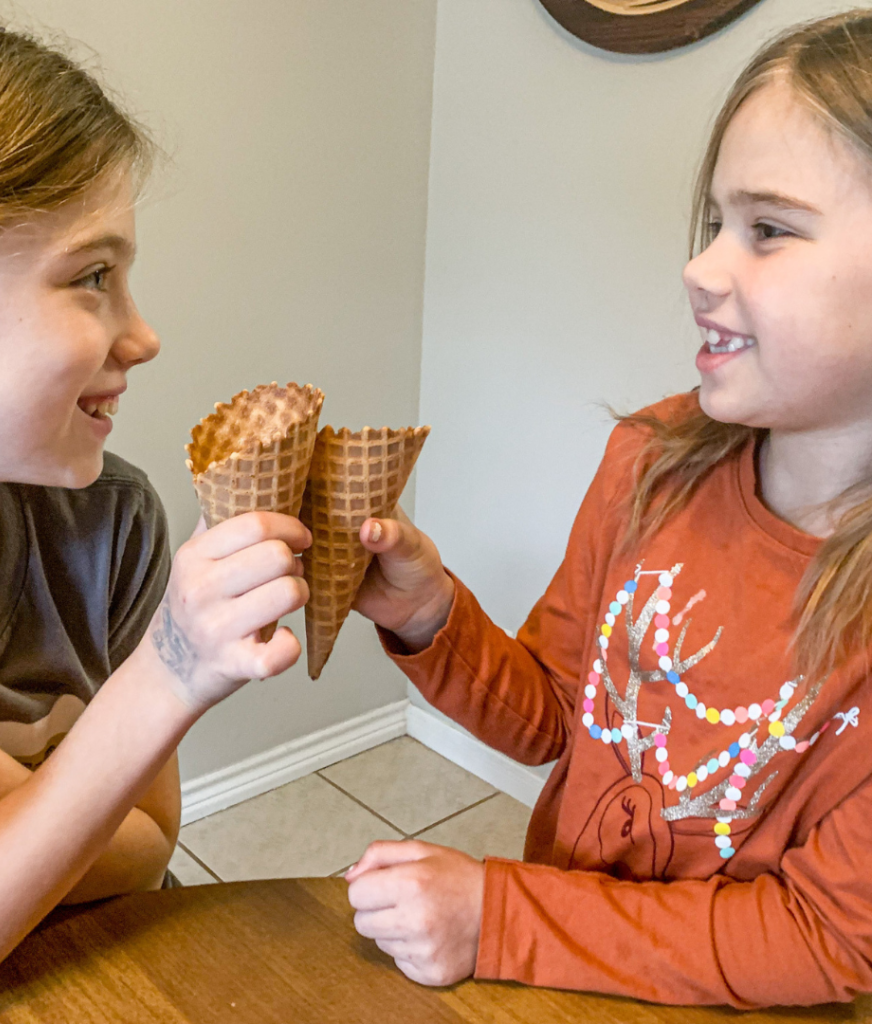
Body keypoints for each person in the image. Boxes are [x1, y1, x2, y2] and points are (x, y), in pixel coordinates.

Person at [346, 9, 872, 1009]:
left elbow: (823, 935)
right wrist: (427, 617)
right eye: (714, 222)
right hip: (556, 980)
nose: (700, 267)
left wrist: (497, 916)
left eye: (767, 230)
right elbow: (554, 715)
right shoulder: (650, 463)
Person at [0, 0, 310, 1013]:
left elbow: (145, 851)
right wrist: (171, 670)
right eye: (92, 276)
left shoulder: (112, 520)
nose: (142, 336)